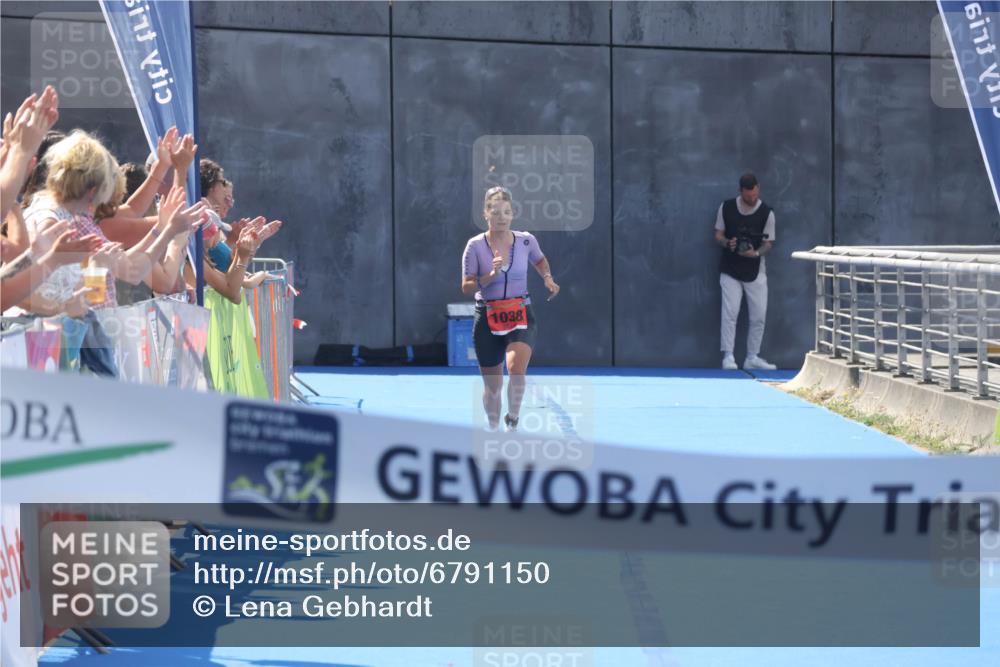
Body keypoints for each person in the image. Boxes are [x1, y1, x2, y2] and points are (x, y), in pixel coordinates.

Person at [461, 186, 560, 431]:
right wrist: (492, 274)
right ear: (486, 214)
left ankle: (512, 418)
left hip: (520, 312)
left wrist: (547, 277)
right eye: (495, 212)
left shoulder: (526, 240)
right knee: (492, 387)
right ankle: (493, 427)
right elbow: (466, 286)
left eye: (506, 212)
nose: (501, 217)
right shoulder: (474, 246)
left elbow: (539, 259)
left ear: (512, 214)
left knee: (516, 370)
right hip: (487, 315)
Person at [713, 172, 777, 371]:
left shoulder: (767, 213)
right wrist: (727, 243)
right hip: (730, 269)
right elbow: (718, 234)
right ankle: (728, 356)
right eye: (748, 196)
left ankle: (752, 356)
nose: (752, 199)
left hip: (755, 270)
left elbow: (769, 243)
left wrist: (756, 253)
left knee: (759, 315)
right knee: (730, 313)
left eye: (755, 195)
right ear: (741, 191)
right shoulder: (726, 207)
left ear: (758, 189)